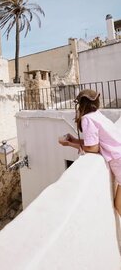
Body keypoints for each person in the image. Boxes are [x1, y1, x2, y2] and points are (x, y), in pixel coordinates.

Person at [58, 88, 121, 216]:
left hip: (118, 160)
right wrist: (75, 140)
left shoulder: (87, 118)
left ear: (82, 104)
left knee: (119, 206)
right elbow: (94, 143)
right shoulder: (97, 115)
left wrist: (69, 144)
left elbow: (93, 148)